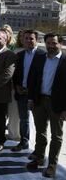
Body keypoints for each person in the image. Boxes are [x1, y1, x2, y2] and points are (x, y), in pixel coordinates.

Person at [26, 33, 66, 178]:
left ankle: (52, 165)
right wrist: (30, 99)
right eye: (48, 43)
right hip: (39, 101)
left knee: (56, 136)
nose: (51, 46)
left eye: (54, 43)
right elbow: (32, 79)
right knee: (40, 132)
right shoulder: (40, 57)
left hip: (57, 104)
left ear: (60, 43)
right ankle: (39, 158)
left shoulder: (64, 61)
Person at [11, 30, 46, 152]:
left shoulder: (42, 56)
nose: (28, 41)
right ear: (22, 40)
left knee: (39, 123)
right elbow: (15, 74)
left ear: (36, 40)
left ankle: (38, 149)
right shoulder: (19, 55)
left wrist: (31, 91)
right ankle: (24, 142)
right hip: (21, 93)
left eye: (31, 38)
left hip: (36, 94)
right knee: (23, 120)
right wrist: (17, 86)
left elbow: (42, 78)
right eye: (26, 38)